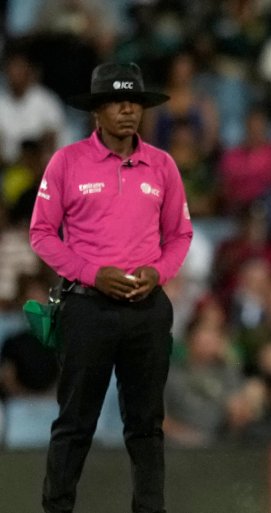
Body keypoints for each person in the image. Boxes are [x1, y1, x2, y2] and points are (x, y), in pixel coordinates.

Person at [29, 62, 193, 513]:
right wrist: (90, 272)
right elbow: (41, 233)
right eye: (117, 101)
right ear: (96, 111)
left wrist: (158, 273)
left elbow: (180, 235)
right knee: (74, 424)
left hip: (147, 311)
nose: (128, 110)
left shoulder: (163, 166)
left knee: (146, 426)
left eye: (134, 101)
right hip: (86, 309)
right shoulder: (67, 162)